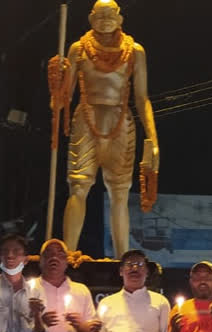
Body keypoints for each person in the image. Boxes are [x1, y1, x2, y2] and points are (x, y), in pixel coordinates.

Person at [57, 0, 160, 256]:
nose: (105, 19)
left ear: (120, 18)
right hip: (86, 120)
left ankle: (123, 258)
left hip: (120, 121)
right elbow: (62, 100)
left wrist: (153, 138)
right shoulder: (78, 49)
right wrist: (57, 82)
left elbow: (142, 97)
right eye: (100, 14)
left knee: (120, 193)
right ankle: (68, 254)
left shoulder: (135, 51)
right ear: (91, 18)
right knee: (78, 187)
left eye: (110, 14)